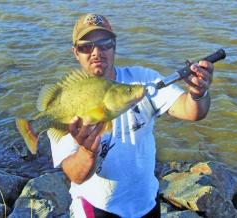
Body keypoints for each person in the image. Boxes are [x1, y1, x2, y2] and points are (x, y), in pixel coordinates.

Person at [49, 13, 214, 218]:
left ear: (114, 46)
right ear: (76, 52)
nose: (96, 52)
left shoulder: (142, 80)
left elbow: (192, 111)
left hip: (147, 203)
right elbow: (75, 175)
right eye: (85, 47)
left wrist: (198, 93)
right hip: (97, 208)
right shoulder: (67, 99)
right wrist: (87, 152)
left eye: (104, 44)